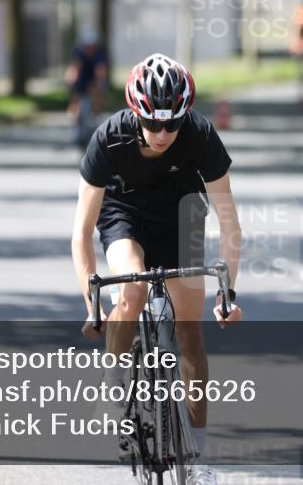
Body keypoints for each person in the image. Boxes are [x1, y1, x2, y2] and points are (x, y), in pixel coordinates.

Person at [71, 53, 242, 485]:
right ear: (134, 113)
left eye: (172, 123)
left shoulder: (200, 135)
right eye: (152, 124)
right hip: (124, 215)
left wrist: (228, 294)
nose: (163, 133)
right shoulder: (109, 138)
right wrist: (91, 305)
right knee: (131, 293)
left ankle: (199, 456)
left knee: (190, 331)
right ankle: (114, 381)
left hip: (183, 216)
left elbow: (229, 223)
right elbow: (81, 232)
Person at [65, 32, 108, 123]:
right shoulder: (79, 52)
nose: (89, 49)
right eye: (87, 46)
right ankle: (74, 116)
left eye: (91, 46)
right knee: (77, 95)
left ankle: (98, 116)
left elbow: (100, 69)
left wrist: (100, 82)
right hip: (82, 76)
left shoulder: (99, 53)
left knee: (96, 93)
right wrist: (71, 80)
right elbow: (75, 68)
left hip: (93, 76)